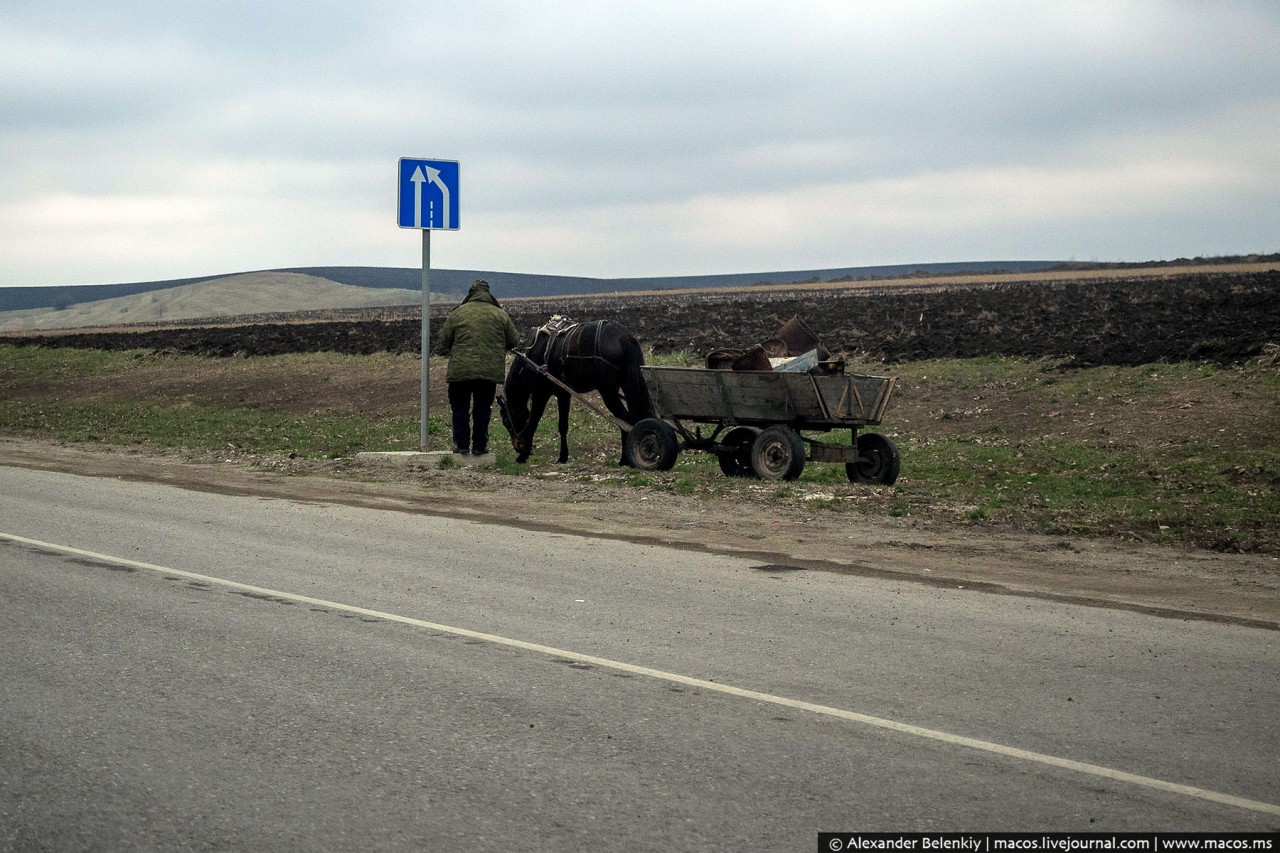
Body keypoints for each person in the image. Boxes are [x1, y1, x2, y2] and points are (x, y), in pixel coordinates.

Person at [435, 279, 521, 455]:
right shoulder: (500, 315)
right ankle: (480, 446)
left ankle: (462, 445)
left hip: (460, 373)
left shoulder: (457, 313)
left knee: (460, 408)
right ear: (489, 294)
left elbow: (443, 341)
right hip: (487, 374)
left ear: (470, 293)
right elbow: (514, 341)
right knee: (482, 409)